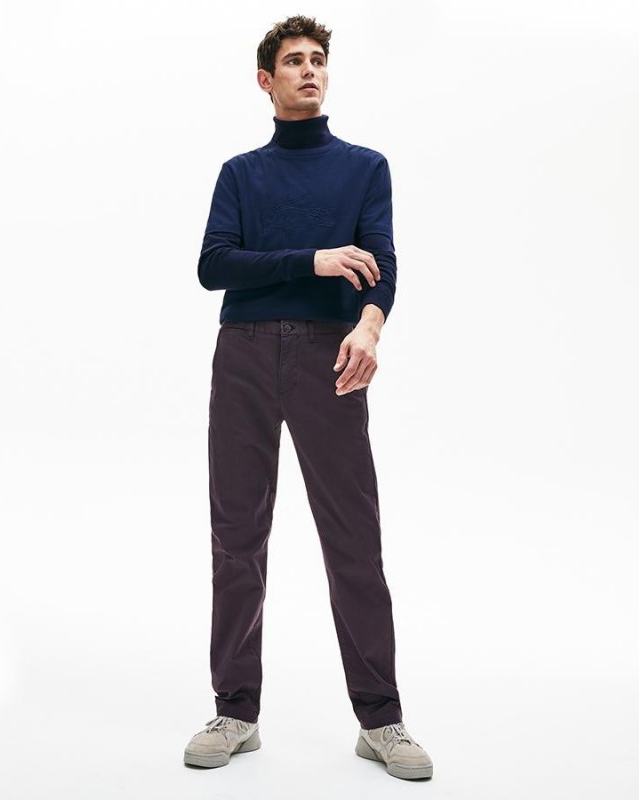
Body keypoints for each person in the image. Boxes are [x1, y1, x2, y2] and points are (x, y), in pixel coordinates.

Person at [182, 15, 433, 781]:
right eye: (293, 60)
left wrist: (370, 327)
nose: (309, 70)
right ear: (267, 80)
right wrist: (313, 260)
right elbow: (213, 265)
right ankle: (236, 711)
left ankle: (381, 721)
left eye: (318, 59)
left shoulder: (364, 169)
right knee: (238, 535)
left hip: (332, 358)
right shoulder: (240, 175)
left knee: (353, 537)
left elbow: (383, 263)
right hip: (245, 355)